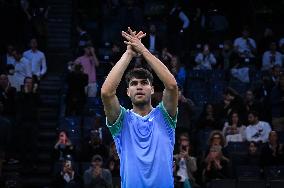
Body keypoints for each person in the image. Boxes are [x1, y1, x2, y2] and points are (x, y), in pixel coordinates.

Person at [101, 27, 178, 187]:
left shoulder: (165, 116)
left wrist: (143, 50)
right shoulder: (121, 120)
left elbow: (171, 85)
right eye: (134, 84)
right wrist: (129, 53)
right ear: (128, 92)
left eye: (144, 83)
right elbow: (107, 92)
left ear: (152, 89)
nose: (139, 86)